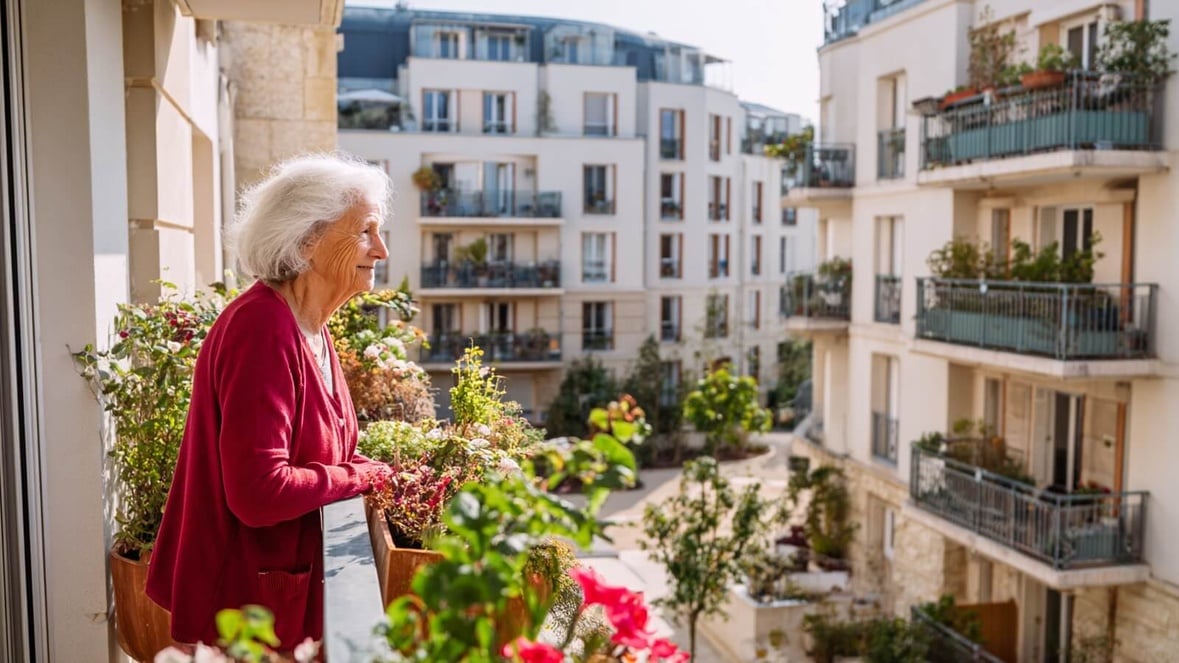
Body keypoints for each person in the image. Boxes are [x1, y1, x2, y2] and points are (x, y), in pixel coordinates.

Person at [146, 153, 395, 651]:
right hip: (245, 612)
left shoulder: (310, 327)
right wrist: (360, 476)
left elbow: (316, 456)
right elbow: (259, 493)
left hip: (279, 598)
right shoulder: (262, 328)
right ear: (307, 242)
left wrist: (378, 470)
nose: (382, 250)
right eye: (366, 231)